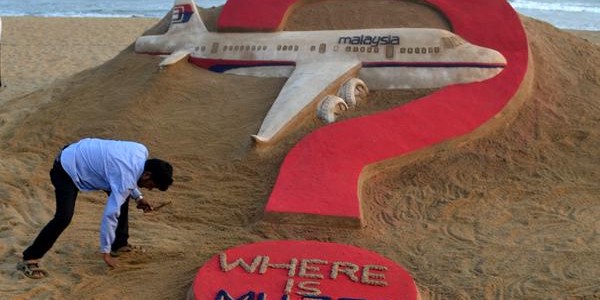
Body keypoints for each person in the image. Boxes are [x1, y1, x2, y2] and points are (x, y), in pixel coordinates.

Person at [17, 138, 174, 279]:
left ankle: (119, 244)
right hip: (67, 168)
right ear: (147, 175)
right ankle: (30, 258)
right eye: (151, 186)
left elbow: (126, 175)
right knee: (63, 217)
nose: (150, 189)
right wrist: (104, 253)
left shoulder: (141, 150)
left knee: (122, 196)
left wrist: (138, 197)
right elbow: (110, 214)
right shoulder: (125, 178)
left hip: (84, 156)